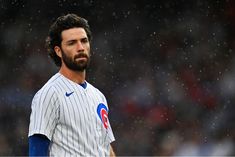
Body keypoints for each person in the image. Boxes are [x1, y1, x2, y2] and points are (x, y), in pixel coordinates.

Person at [28, 13, 116, 157]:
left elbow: (106, 148)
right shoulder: (49, 93)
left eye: (84, 41)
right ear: (58, 51)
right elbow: (37, 150)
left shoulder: (98, 96)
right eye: (72, 43)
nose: (80, 47)